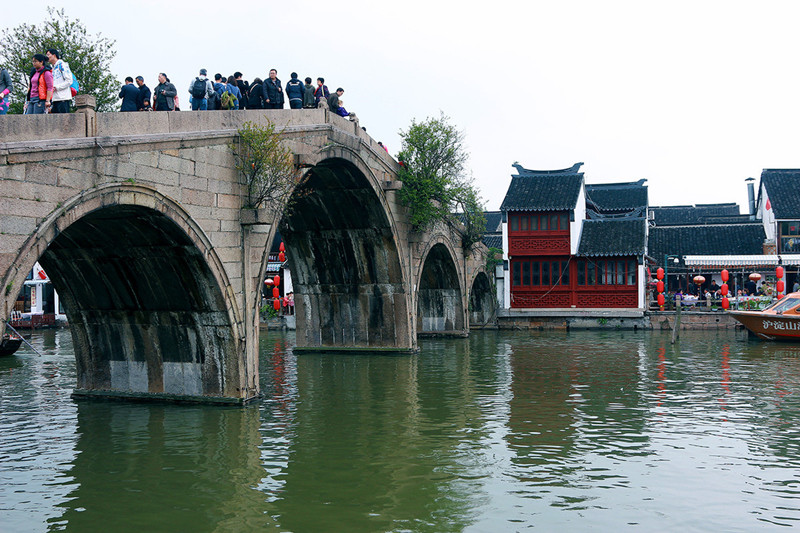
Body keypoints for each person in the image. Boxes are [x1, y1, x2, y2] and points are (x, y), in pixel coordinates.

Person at [46, 48, 73, 114]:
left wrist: (57, 87)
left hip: (63, 98)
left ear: (54, 55)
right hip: (54, 99)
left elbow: (69, 81)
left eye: (48, 55)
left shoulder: (62, 65)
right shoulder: (51, 68)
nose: (47, 57)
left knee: (64, 121)